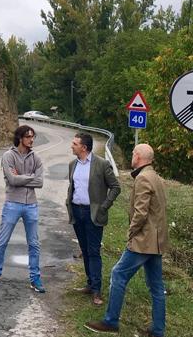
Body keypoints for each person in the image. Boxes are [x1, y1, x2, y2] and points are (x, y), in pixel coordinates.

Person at [85, 144, 168, 337]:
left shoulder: (143, 178)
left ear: (138, 156)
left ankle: (111, 321)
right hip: (156, 241)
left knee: (118, 274)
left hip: (143, 241)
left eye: (133, 153)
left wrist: (131, 233)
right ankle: (158, 330)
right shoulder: (156, 177)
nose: (132, 156)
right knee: (156, 286)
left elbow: (141, 212)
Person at [0, 125, 45, 293]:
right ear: (20, 138)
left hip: (31, 204)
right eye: (28, 137)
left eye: (33, 136)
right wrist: (30, 177)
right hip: (12, 203)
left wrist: (22, 177)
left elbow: (40, 182)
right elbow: (12, 180)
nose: (31, 140)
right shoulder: (8, 156)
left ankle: (35, 278)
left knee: (34, 243)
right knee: (2, 241)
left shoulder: (36, 157)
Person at [66, 133, 121, 306]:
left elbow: (115, 187)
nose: (71, 146)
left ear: (84, 147)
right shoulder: (72, 164)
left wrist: (104, 206)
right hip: (77, 211)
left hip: (93, 213)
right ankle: (90, 284)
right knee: (84, 248)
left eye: (75, 144)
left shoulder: (101, 164)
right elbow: (73, 187)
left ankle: (97, 290)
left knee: (94, 251)